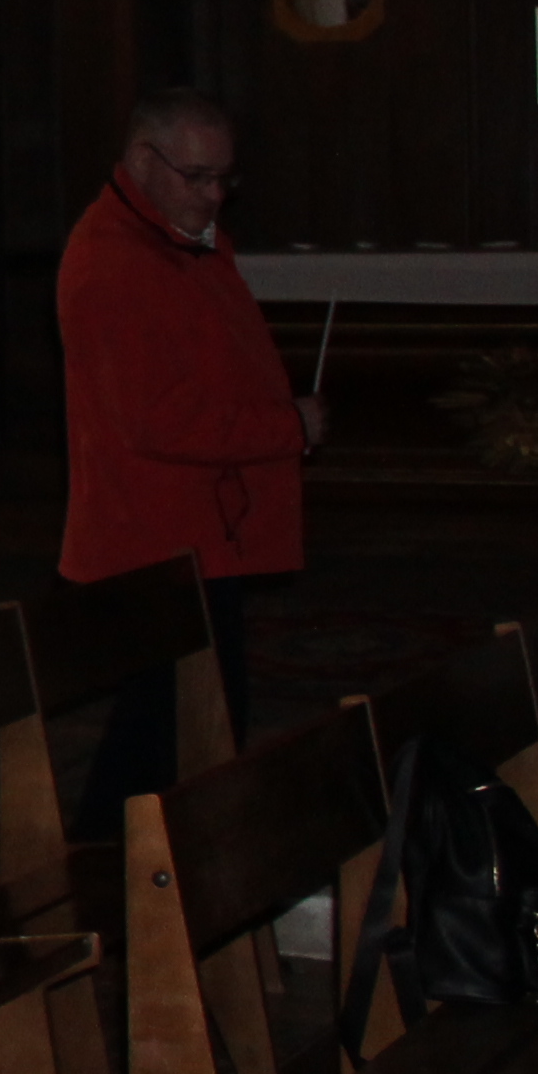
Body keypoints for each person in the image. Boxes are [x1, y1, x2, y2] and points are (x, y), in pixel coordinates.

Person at [57, 87, 318, 831]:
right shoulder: (115, 260)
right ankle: (114, 896)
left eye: (224, 179)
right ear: (143, 161)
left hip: (198, 538)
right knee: (164, 745)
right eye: (197, 176)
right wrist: (285, 427)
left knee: (185, 738)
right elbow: (157, 418)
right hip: (157, 543)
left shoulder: (173, 240)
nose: (213, 196)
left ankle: (141, 892)